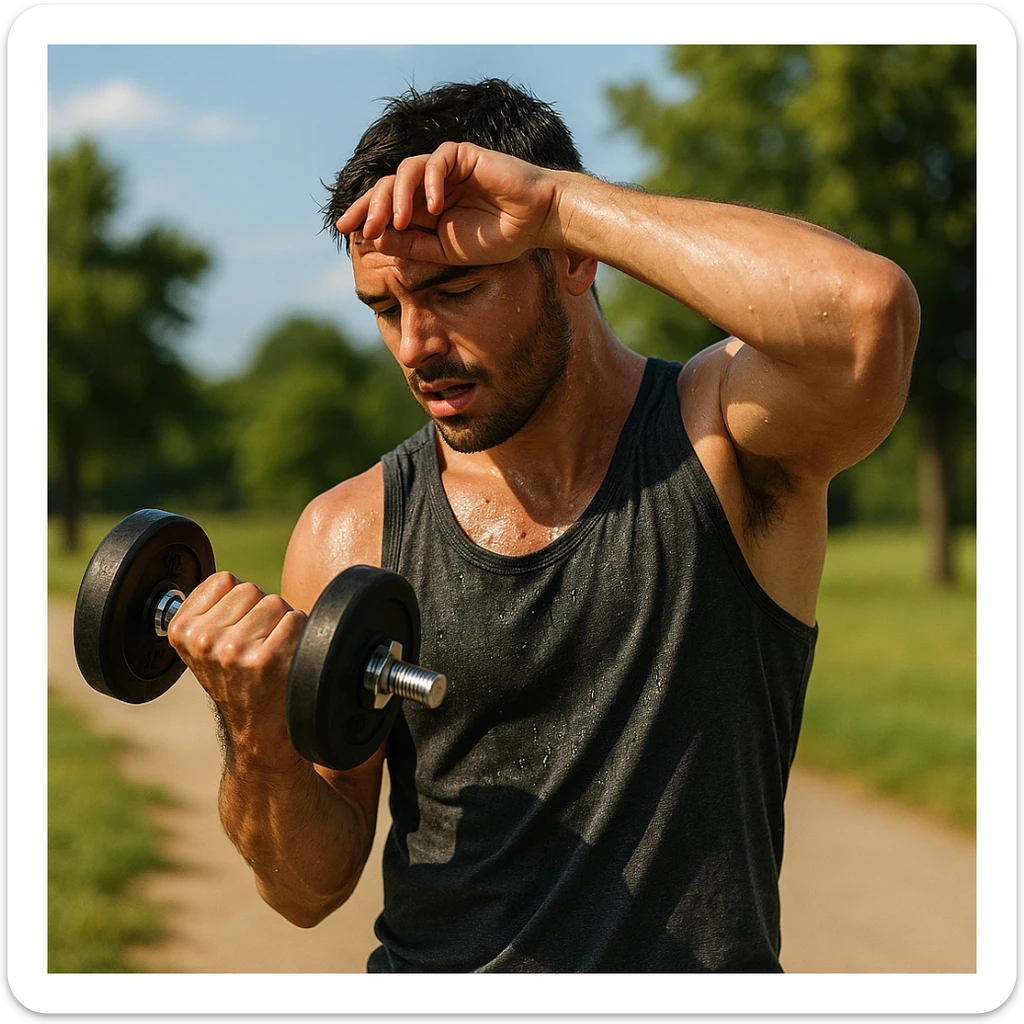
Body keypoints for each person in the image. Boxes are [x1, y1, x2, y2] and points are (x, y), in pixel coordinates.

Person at [167, 79, 919, 972]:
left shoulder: (726, 443)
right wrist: (256, 734)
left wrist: (563, 203)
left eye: (452, 290)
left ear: (568, 262)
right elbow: (305, 889)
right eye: (385, 308)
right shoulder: (349, 532)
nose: (413, 344)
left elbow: (867, 316)